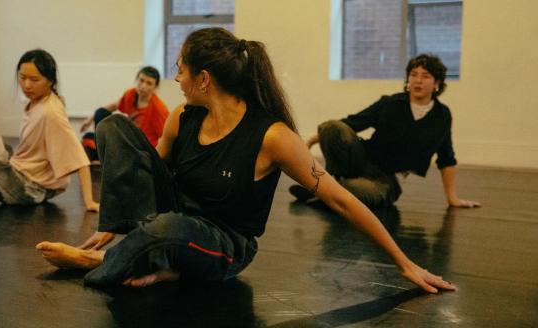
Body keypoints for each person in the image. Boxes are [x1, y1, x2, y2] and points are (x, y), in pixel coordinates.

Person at [36, 28, 454, 294]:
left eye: (181, 70)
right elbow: (150, 174)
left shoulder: (272, 136)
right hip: (173, 218)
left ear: (204, 78)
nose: (176, 78)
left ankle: (106, 264)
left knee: (166, 228)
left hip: (224, 246)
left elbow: (343, 200)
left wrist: (405, 263)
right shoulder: (184, 116)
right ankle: (154, 259)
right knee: (112, 126)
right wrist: (115, 219)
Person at [289, 54, 481, 209]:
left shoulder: (442, 116)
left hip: (386, 179)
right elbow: (352, 123)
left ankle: (321, 192)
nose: (418, 80)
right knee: (331, 127)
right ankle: (328, 187)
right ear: (407, 79)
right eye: (414, 74)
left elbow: (446, 158)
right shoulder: (390, 103)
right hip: (361, 158)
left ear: (437, 83)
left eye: (425, 76)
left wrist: (452, 197)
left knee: (357, 191)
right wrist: (310, 141)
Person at [0, 49, 99, 212]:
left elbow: (81, 160)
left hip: (29, 187)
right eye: (22, 77)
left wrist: (89, 202)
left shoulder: (51, 112)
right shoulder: (36, 102)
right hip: (19, 169)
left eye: (34, 80)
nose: (26, 85)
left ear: (50, 81)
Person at [79, 66, 169, 161]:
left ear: (155, 88)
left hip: (140, 151)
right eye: (141, 80)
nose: (143, 86)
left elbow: (166, 138)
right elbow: (113, 106)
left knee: (91, 143)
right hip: (125, 141)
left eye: (149, 83)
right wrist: (90, 119)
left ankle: (104, 156)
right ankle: (105, 155)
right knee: (98, 117)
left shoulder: (159, 109)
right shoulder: (131, 94)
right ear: (136, 79)